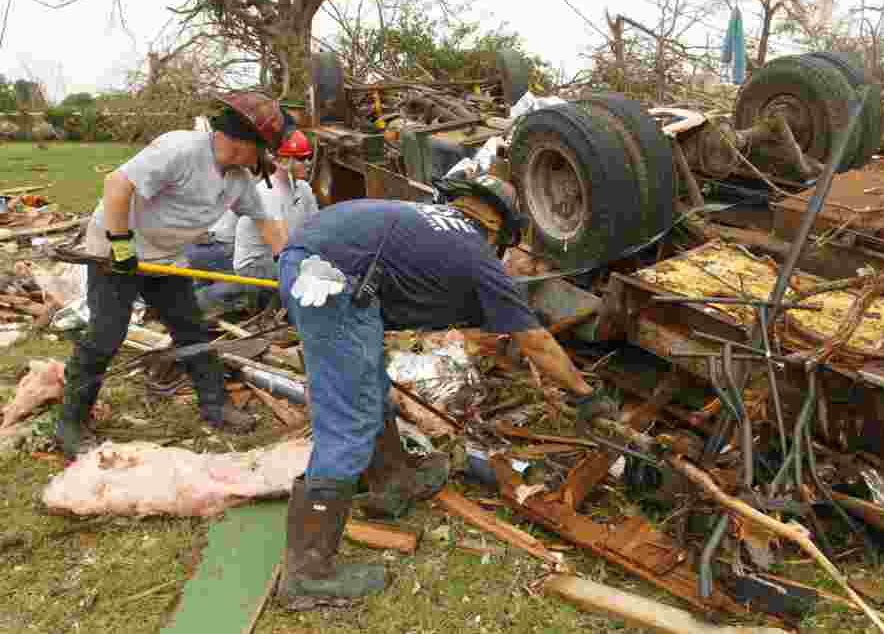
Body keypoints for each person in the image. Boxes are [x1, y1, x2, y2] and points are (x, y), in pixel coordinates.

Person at [274, 175, 620, 608]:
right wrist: (585, 393)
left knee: (370, 386)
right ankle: (307, 575)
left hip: (319, 258)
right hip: (331, 278)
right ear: (502, 230)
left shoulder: (439, 223)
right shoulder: (476, 253)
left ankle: (393, 480)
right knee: (349, 421)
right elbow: (536, 342)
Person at [56, 91, 291, 459]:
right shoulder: (181, 150)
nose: (269, 158)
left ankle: (215, 406)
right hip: (115, 248)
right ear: (244, 141)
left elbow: (267, 223)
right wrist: (121, 246)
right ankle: (70, 422)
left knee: (191, 328)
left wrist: (290, 263)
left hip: (165, 258)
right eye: (266, 148)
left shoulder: (239, 179)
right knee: (106, 335)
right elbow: (117, 184)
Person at [229, 129, 318, 311]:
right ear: (284, 161)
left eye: (309, 157)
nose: (308, 163)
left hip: (281, 257)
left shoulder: (304, 189)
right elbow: (282, 250)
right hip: (256, 265)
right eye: (301, 159)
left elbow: (318, 232)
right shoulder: (268, 193)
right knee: (305, 278)